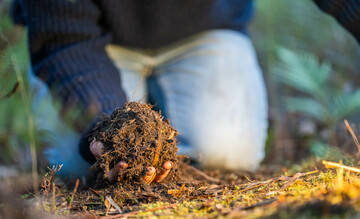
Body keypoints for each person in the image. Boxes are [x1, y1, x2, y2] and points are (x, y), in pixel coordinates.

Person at [10, 0, 360, 181]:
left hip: (205, 27)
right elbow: (66, 41)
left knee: (226, 152)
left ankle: (168, 130)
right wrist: (110, 127)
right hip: (89, 43)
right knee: (77, 168)